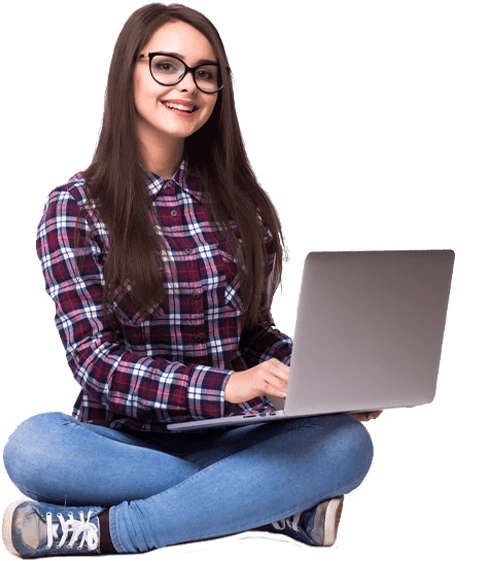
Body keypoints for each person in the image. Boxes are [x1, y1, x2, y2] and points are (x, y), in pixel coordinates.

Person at [2, 3, 379, 557]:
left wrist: (318, 379)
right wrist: (226, 386)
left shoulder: (238, 205)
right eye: (166, 66)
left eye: (206, 73)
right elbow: (94, 362)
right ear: (126, 72)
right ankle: (269, 505)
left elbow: (252, 334)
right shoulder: (74, 207)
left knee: (348, 444)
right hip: (122, 439)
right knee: (34, 450)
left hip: (232, 432)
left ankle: (105, 530)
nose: (188, 86)